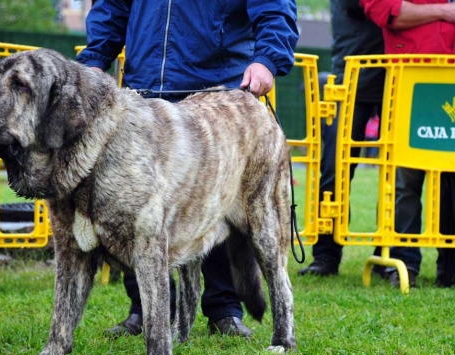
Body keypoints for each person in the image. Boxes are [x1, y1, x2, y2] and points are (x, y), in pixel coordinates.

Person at [77, 0, 299, 337]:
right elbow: (112, 7)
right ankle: (146, 311)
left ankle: (224, 311)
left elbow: (274, 6)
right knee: (139, 213)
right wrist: (95, 59)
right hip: (144, 96)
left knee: (214, 206)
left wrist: (267, 59)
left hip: (217, 95)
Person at [360, 0, 455, 288]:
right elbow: (383, 9)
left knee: (450, 182)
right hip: (408, 80)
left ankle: (449, 268)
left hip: (446, 80)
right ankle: (403, 265)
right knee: (404, 180)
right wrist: (443, 11)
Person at [298, 0, 385, 277]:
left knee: (399, 177)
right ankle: (326, 254)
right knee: (334, 170)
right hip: (350, 78)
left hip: (398, 74)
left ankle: (389, 253)